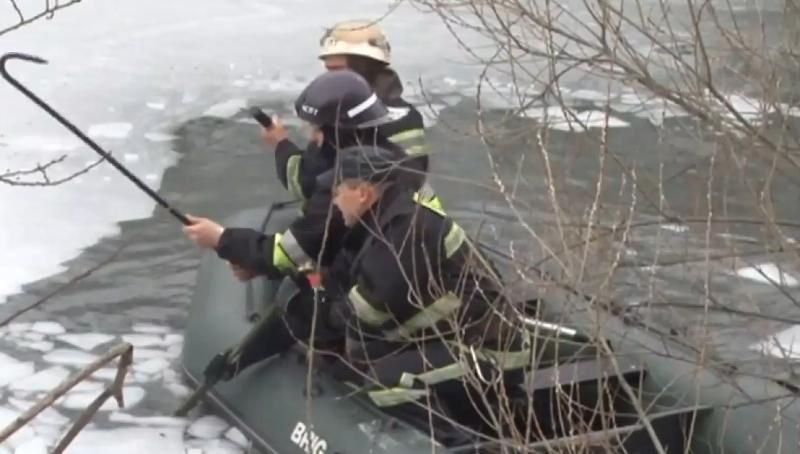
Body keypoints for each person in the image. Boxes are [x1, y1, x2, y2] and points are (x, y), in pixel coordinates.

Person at [309, 145, 532, 442]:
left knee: (387, 381)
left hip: (491, 350)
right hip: (456, 337)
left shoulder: (404, 232)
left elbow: (368, 312)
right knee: (365, 357)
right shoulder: (389, 221)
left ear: (362, 192)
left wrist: (322, 310)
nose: (334, 201)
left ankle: (456, 445)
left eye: (338, 191)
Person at [261, 18, 441, 209]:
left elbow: (306, 185)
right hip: (420, 220)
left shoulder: (346, 123)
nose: (329, 79)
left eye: (336, 71)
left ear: (364, 67)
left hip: (363, 227)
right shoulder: (408, 114)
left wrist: (280, 143)